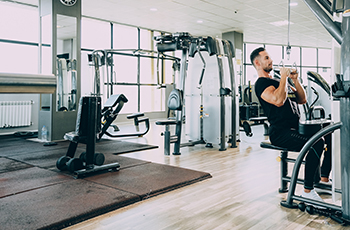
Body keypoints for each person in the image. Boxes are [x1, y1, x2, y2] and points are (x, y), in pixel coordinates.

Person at [251, 47, 331, 202]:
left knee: (328, 135)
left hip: (296, 128)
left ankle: (323, 179)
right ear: (257, 63)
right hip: (280, 133)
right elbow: (278, 100)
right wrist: (283, 79)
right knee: (316, 143)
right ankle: (308, 190)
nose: (271, 61)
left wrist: (294, 80)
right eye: (267, 58)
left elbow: (302, 99)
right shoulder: (261, 83)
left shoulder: (279, 82)